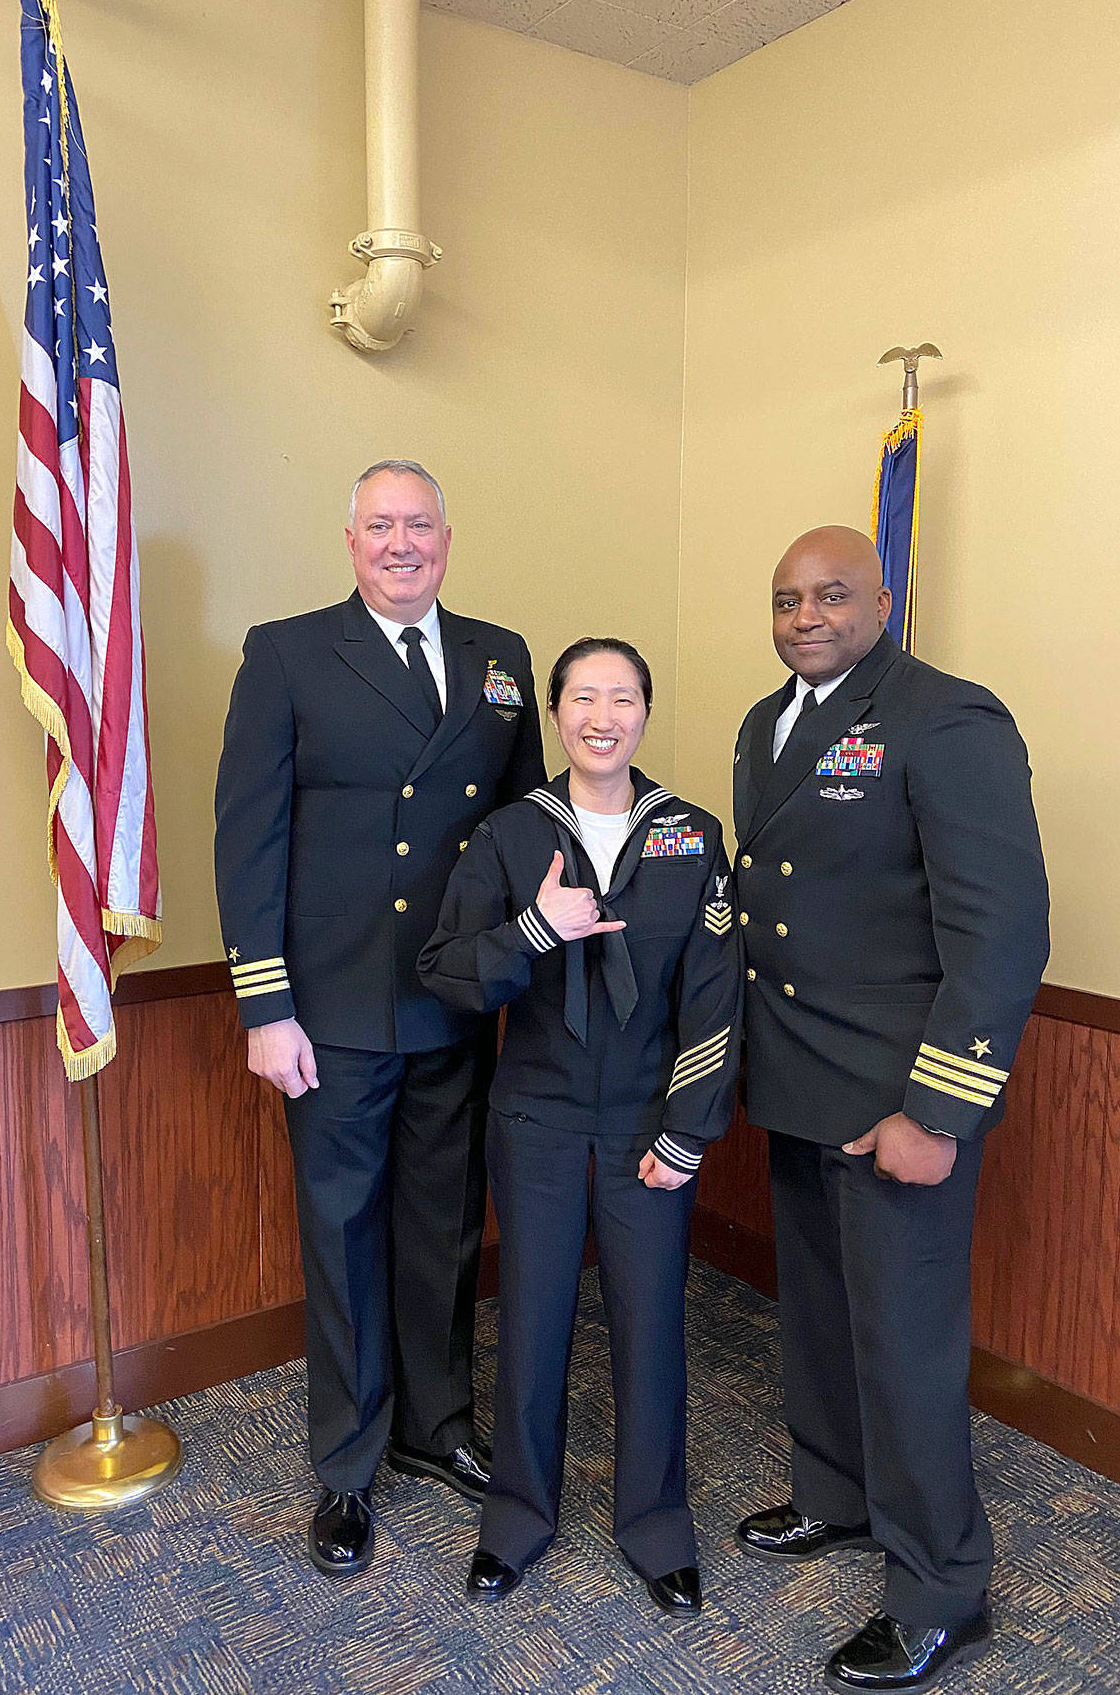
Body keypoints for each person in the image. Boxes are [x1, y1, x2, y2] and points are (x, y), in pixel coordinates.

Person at [730, 526, 1050, 1691]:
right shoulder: (766, 724)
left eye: (828, 595)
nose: (804, 616)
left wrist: (938, 1112)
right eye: (783, 600)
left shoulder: (944, 717)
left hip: (894, 1100)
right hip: (799, 1081)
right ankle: (836, 1494)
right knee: (816, 1316)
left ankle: (938, 1591)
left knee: (906, 1349)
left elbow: (999, 934)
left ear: (882, 597)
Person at [214, 460, 545, 1577]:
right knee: (345, 1235)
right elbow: (246, 835)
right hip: (336, 1007)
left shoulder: (501, 658)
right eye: (379, 527)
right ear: (348, 538)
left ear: (447, 536)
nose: (400, 543)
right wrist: (268, 1004)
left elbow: (520, 827)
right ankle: (347, 1467)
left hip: (452, 999)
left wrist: (527, 959)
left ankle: (434, 1426)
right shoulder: (288, 652)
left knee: (444, 1224)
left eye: (418, 525)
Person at [418, 638, 743, 1614]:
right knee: (532, 1324)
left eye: (623, 697)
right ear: (555, 715)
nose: (602, 716)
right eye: (583, 698)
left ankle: (654, 1527)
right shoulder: (509, 838)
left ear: (643, 712)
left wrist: (687, 1132)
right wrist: (532, 931)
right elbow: (444, 967)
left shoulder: (689, 834)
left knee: (650, 1328)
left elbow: (715, 997)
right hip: (540, 1123)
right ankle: (515, 1520)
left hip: (648, 1122)